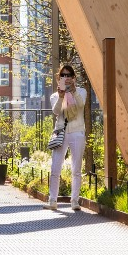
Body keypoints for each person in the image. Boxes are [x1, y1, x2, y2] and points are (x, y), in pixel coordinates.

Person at [48, 62, 87, 213]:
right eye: (63, 75)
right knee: (55, 168)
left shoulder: (81, 91)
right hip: (61, 132)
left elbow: (81, 105)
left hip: (77, 131)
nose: (66, 78)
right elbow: (56, 111)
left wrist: (74, 91)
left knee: (76, 169)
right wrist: (61, 96)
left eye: (69, 75)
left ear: (74, 77)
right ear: (59, 78)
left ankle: (74, 200)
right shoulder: (55, 95)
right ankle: (52, 200)